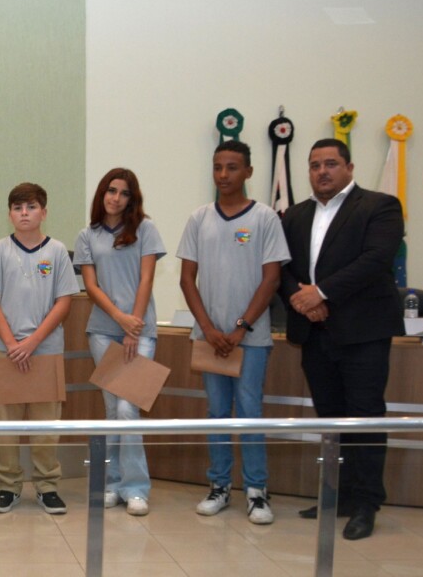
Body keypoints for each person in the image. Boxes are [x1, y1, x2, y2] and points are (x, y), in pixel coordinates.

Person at [281, 138, 404, 540]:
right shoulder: (295, 215)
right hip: (315, 332)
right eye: (315, 165)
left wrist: (321, 293)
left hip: (363, 332)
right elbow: (282, 269)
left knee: (365, 417)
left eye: (331, 163)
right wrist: (304, 301)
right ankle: (341, 496)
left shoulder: (380, 206)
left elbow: (375, 260)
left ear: (349, 168)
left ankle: (366, 503)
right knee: (331, 418)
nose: (322, 171)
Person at [177, 140, 289, 525]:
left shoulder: (265, 219)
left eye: (232, 167)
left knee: (250, 411)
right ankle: (220, 485)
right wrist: (209, 329)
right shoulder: (199, 218)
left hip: (250, 339)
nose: (223, 175)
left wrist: (241, 328)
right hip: (210, 339)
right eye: (217, 167)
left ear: (248, 172)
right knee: (217, 413)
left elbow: (271, 279)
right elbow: (187, 279)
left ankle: (256, 490)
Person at [0, 182, 80, 515]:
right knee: (5, 426)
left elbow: (64, 302)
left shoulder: (57, 251)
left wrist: (32, 342)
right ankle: (8, 487)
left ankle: (47, 486)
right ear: (10, 214)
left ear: (43, 212)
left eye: (31, 207)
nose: (24, 213)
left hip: (45, 351)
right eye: (18, 207)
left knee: (46, 425)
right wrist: (12, 344)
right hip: (4, 350)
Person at [74, 168, 166, 517]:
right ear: (102, 194)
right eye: (111, 191)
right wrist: (118, 318)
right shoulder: (88, 235)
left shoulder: (145, 230)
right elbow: (91, 287)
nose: (116, 198)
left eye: (124, 193)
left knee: (129, 408)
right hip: (102, 330)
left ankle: (136, 487)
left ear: (132, 199)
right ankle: (111, 484)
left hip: (140, 331)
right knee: (112, 409)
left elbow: (146, 279)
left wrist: (133, 325)